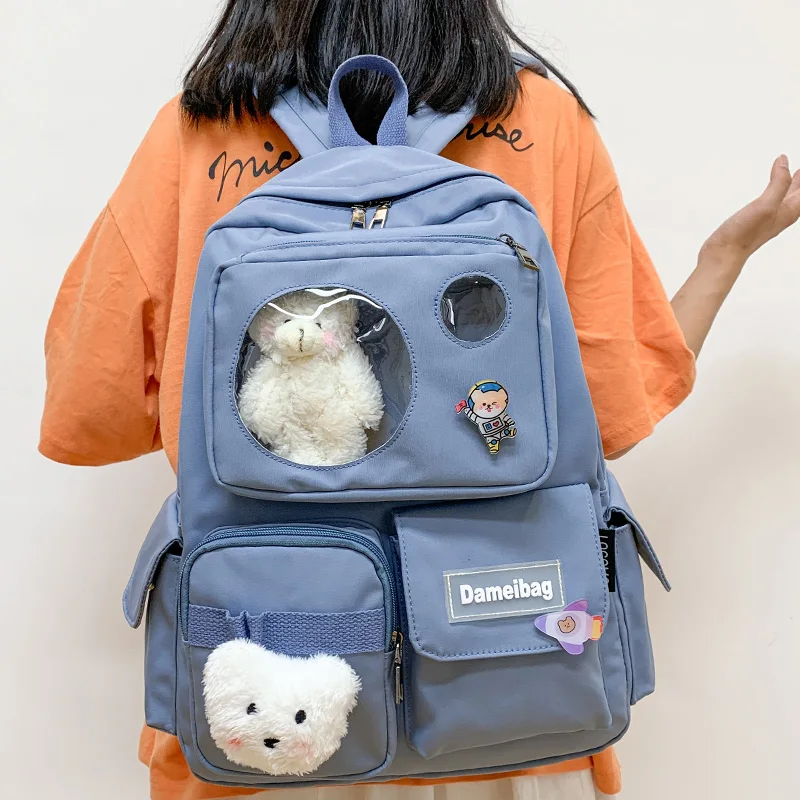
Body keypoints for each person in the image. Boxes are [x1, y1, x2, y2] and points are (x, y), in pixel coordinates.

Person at [38, 1, 800, 798]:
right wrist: (722, 259)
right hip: (509, 714)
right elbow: (610, 413)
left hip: (270, 720)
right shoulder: (542, 123)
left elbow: (88, 409)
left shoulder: (198, 131)